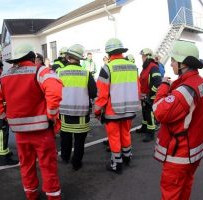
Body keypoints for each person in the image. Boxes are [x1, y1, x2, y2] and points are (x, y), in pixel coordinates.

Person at [0, 44, 63, 200]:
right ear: (31, 57)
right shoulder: (41, 71)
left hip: (20, 133)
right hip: (42, 130)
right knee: (48, 165)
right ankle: (53, 196)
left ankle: (31, 194)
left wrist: (6, 117)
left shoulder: (4, 76)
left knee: (26, 164)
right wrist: (51, 115)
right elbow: (54, 93)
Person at [152, 41, 203, 200]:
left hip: (180, 154)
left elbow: (160, 112)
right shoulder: (201, 83)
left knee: (171, 193)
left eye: (173, 60)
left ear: (183, 64)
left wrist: (164, 86)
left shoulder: (184, 90)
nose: (171, 63)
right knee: (185, 188)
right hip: (194, 151)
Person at [95, 38, 139, 174]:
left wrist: (97, 110)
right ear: (121, 51)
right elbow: (138, 88)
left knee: (114, 137)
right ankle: (127, 156)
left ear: (109, 53)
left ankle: (117, 163)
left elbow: (102, 94)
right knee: (126, 133)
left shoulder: (107, 68)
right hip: (130, 110)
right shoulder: (133, 67)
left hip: (112, 111)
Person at [57, 44, 97, 171]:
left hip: (63, 112)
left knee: (65, 136)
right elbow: (93, 93)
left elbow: (54, 91)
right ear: (80, 59)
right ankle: (76, 162)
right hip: (81, 112)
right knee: (79, 140)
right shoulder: (86, 73)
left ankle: (65, 157)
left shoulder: (59, 72)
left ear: (68, 57)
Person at [135, 48, 162, 142]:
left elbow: (158, 82)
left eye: (143, 56)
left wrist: (150, 94)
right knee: (144, 112)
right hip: (144, 95)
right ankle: (144, 127)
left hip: (150, 96)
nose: (142, 58)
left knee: (149, 114)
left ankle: (150, 133)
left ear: (148, 56)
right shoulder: (146, 67)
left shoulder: (153, 67)